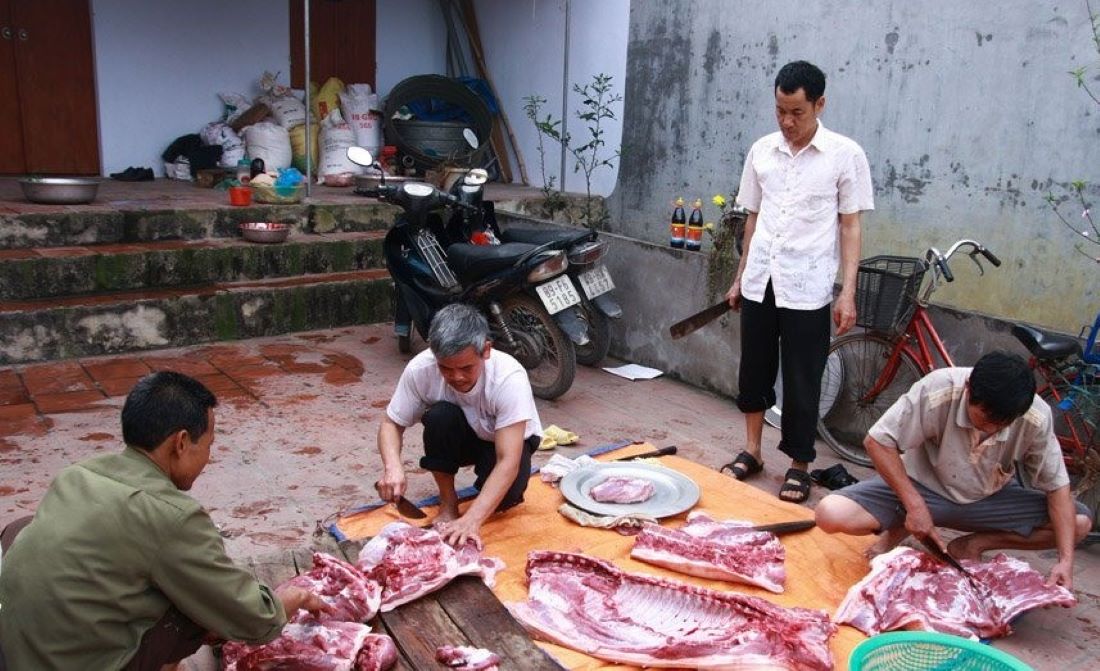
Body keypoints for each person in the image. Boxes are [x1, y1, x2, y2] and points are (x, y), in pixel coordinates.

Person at [0, 371, 327, 671]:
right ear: (181, 443)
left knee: (20, 529)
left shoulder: (78, 474)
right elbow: (252, 617)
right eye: (208, 445)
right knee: (195, 607)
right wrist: (294, 597)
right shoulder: (173, 516)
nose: (208, 457)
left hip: (17, 652)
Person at [722, 60, 874, 503]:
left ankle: (799, 464)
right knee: (753, 370)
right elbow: (753, 219)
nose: (787, 122)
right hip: (761, 279)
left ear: (819, 104)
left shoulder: (845, 155)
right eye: (780, 111)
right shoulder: (761, 151)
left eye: (797, 113)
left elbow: (850, 226)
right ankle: (752, 450)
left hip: (808, 285)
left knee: (803, 378)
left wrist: (848, 292)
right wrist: (739, 277)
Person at [815, 352, 1093, 588]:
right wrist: (914, 506)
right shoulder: (939, 388)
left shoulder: (1035, 415)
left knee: (1079, 523)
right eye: (986, 418)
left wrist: (1065, 561)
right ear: (969, 388)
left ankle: (973, 545)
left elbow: (1057, 487)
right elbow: (877, 442)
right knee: (830, 513)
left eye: (1002, 423)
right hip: (923, 489)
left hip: (989, 499)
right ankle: (902, 524)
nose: (992, 428)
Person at [376, 303, 543, 548]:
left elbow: (508, 461)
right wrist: (392, 467)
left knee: (506, 499)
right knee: (439, 417)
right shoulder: (420, 368)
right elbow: (391, 423)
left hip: (505, 443)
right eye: (445, 368)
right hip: (461, 432)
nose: (456, 377)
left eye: (466, 368)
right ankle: (448, 501)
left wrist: (472, 520)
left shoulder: (508, 378)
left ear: (486, 350)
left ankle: (480, 501)